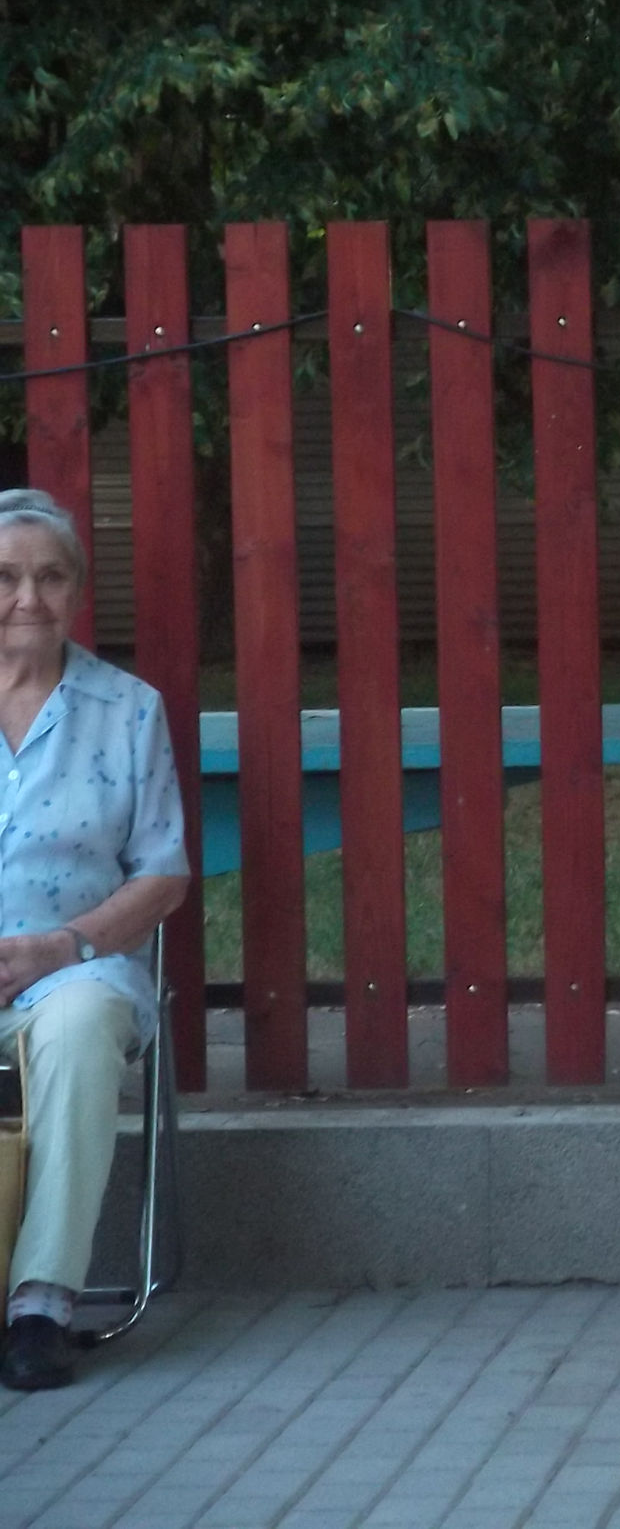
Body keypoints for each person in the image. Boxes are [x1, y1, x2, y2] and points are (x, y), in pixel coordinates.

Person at [0, 489, 187, 1391]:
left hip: (74, 968)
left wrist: (59, 947)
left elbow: (163, 874)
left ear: (76, 590)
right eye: (6, 577)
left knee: (77, 1028)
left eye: (50, 577)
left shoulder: (128, 711)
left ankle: (40, 1305)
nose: (27, 598)